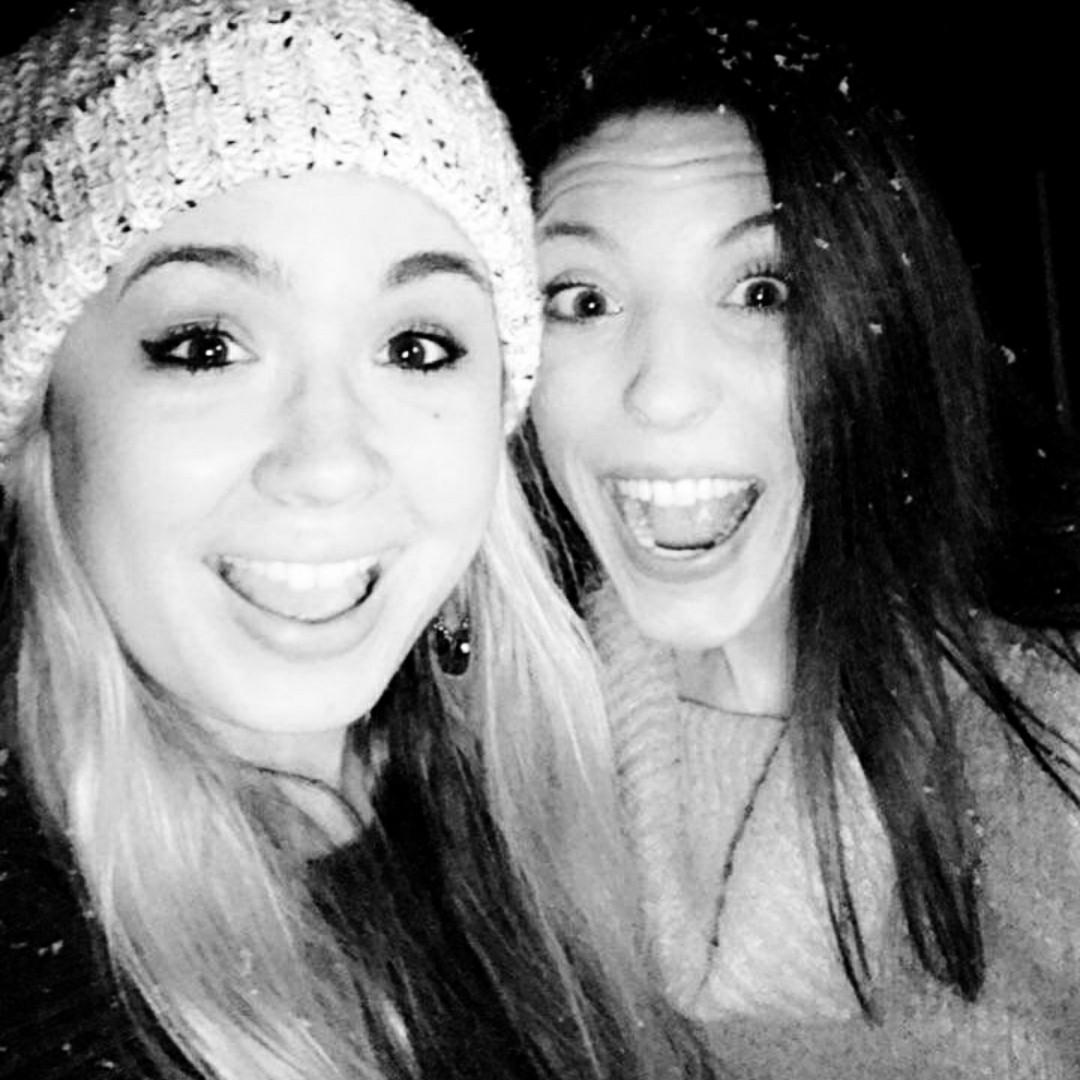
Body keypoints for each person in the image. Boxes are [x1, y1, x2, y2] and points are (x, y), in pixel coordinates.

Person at [0, 2, 715, 1078]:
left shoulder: (523, 805)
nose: (330, 462)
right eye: (205, 346)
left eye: (416, 346)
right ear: (39, 418)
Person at [518, 8, 1080, 1077]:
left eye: (761, 292)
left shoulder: (1051, 756)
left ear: (879, 331)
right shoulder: (483, 753)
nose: (662, 392)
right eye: (581, 299)